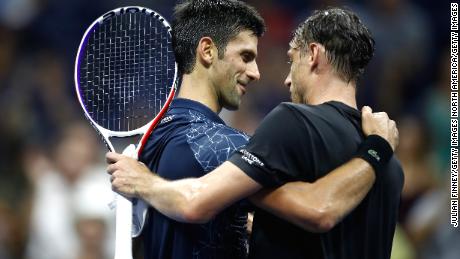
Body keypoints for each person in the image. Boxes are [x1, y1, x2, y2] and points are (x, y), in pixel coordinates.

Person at [107, 4, 402, 259]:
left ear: (314, 55)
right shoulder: (391, 168)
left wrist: (145, 182)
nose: (261, 74)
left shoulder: (154, 141)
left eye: (290, 60)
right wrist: (376, 149)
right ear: (207, 51)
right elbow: (317, 210)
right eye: (246, 56)